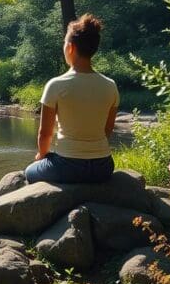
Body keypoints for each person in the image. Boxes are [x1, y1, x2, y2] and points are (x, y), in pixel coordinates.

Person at [24, 14, 119, 184]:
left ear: (70, 48)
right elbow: (108, 129)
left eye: (64, 43)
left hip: (68, 167)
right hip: (103, 166)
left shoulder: (56, 85)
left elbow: (45, 133)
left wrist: (42, 156)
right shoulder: (110, 85)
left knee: (29, 171)